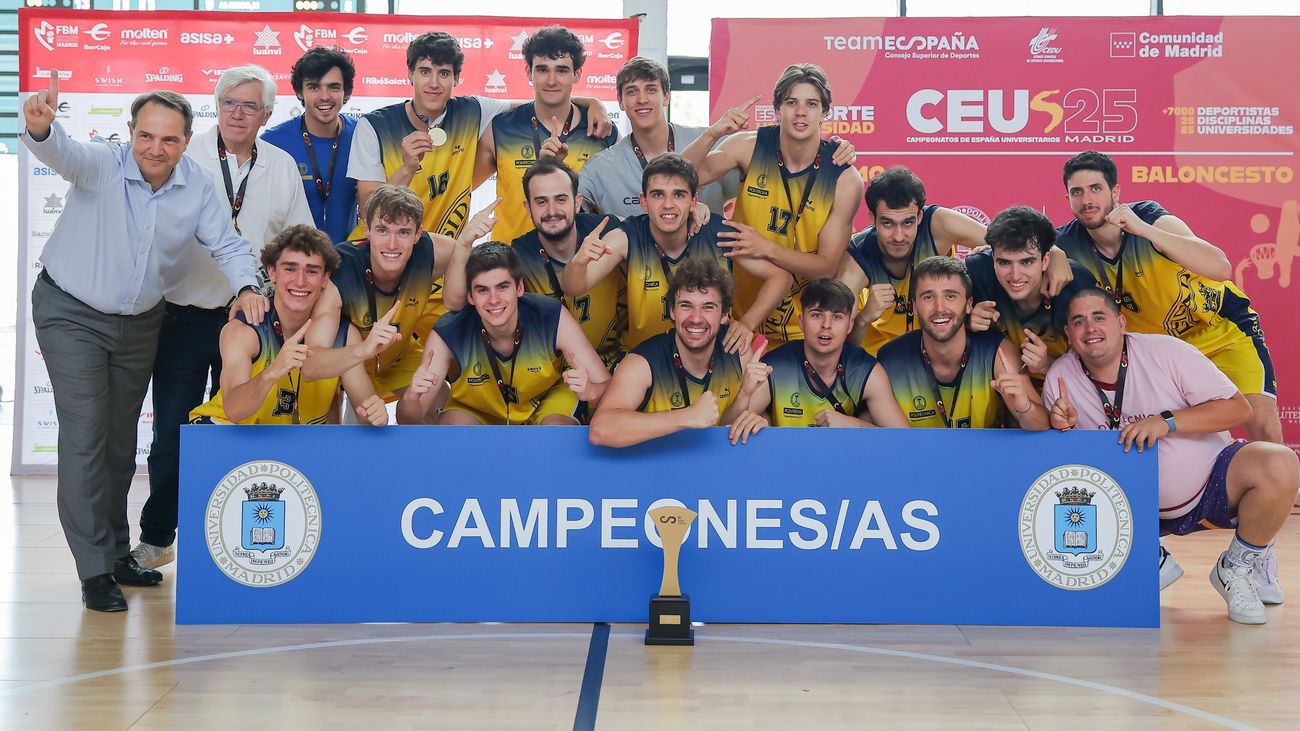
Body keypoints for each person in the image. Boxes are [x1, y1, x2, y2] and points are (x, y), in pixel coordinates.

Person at [22, 77, 265, 612]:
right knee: (86, 435)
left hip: (139, 323)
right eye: (147, 136)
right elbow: (60, 151)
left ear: (186, 141)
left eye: (170, 140)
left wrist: (247, 285)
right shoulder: (103, 164)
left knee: (117, 443)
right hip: (71, 312)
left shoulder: (198, 186)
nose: (157, 149)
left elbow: (226, 244)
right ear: (130, 133)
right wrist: (41, 126)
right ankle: (93, 571)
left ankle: (114, 553)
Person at [136, 65, 313, 573]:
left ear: (267, 113)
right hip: (183, 315)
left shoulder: (281, 165)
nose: (239, 112)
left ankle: (230, 539)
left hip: (253, 318)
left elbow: (299, 239)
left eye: (250, 105)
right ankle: (156, 536)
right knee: (173, 432)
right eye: (230, 102)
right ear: (216, 105)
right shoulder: (181, 155)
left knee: (244, 426)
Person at [1043, 288, 1298, 624]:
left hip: (1210, 484)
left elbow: (1238, 408)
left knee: (1280, 462)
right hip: (1129, 514)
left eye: (1099, 317)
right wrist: (1065, 432)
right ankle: (1144, 557)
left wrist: (1168, 422)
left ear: (1121, 323)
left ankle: (1234, 569)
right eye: (1078, 321)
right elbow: (1059, 472)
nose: (1090, 327)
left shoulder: (1166, 352)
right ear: (1068, 334)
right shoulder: (1059, 378)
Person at [348, 31, 609, 333]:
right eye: (425, 71)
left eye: (444, 73)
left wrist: (592, 102)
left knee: (446, 365)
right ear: (410, 74)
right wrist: (407, 168)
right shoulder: (374, 126)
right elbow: (370, 210)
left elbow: (545, 98)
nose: (434, 83)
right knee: (368, 352)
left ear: (456, 78)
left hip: (439, 267)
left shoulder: (473, 110)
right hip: (382, 260)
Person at [1055, 151, 1280, 443]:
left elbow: (1220, 267)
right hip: (1162, 352)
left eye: (1096, 188)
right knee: (1167, 437)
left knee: (1262, 425)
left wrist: (1143, 230)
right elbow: (1012, 249)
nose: (1087, 200)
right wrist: (1054, 254)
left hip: (1219, 330)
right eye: (1077, 192)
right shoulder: (1066, 243)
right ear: (1068, 199)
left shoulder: (1151, 218)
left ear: (1115, 192)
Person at [682, 64, 862, 348]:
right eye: (791, 102)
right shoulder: (748, 146)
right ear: (777, 109)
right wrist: (712, 134)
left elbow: (826, 267)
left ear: (825, 112)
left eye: (811, 104)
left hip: (807, 326)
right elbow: (678, 177)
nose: (800, 112)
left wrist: (765, 247)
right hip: (742, 314)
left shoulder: (844, 177)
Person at [300, 185, 497, 419]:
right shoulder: (340, 271)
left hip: (398, 354)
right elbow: (311, 365)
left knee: (441, 410)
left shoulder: (431, 250)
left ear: (417, 234)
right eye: (382, 230)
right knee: (345, 427)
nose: (392, 244)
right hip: (347, 360)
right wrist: (362, 350)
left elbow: (482, 284)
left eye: (403, 232)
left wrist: (465, 244)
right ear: (366, 230)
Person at [561, 154, 791, 353]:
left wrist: (748, 323)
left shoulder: (717, 233)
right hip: (648, 361)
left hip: (711, 357)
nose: (668, 204)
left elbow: (781, 277)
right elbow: (573, 287)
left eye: (679, 195)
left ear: (694, 201)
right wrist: (579, 263)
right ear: (643, 201)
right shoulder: (627, 236)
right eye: (658, 195)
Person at [839, 167, 1073, 355]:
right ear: (872, 219)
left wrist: (1056, 253)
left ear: (920, 216)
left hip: (943, 344)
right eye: (888, 223)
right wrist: (863, 319)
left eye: (908, 222)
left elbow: (1007, 238)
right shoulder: (856, 258)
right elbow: (841, 350)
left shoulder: (938, 224)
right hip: (883, 357)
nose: (899, 236)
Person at [189, 225, 387, 427]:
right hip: (229, 433)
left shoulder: (343, 334)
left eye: (312, 271)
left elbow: (366, 410)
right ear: (272, 272)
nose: (300, 281)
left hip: (290, 444)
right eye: (290, 269)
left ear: (325, 278)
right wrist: (274, 370)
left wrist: (375, 413)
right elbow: (233, 410)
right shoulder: (245, 329)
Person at [398, 243, 610, 425]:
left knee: (556, 430)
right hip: (481, 409)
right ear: (470, 296)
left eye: (502, 287)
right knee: (452, 427)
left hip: (544, 400)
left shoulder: (551, 316)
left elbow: (608, 387)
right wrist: (411, 397)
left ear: (519, 288)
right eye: (482, 290)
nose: (494, 299)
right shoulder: (448, 331)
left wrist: (590, 391)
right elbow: (407, 419)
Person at [455, 157, 626, 369]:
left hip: (616, 361)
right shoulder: (518, 255)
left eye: (561, 199)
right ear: (528, 207)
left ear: (577, 202)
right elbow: (456, 302)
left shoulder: (611, 232)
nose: (552, 210)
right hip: (553, 374)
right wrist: (463, 244)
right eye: (541, 201)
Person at [589, 258, 755, 447]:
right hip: (654, 467)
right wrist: (686, 416)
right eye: (686, 305)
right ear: (673, 311)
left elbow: (734, 427)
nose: (696, 318)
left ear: (725, 315)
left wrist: (760, 421)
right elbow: (600, 429)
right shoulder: (643, 362)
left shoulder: (738, 351)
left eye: (708, 307)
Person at [481, 25, 619, 243]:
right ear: (529, 72)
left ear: (577, 74)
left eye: (562, 70)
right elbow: (461, 187)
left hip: (580, 264)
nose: (552, 80)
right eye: (543, 69)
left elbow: (616, 202)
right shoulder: (500, 128)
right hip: (511, 264)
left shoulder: (601, 131)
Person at [730, 279, 909, 444]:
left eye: (837, 316)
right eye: (816, 315)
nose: (826, 325)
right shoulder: (774, 367)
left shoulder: (867, 370)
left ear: (850, 326)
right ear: (801, 322)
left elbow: (906, 440)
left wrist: (854, 426)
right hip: (787, 462)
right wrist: (748, 402)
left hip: (846, 466)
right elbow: (727, 432)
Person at [875, 257, 1046, 429]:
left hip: (982, 455)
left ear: (969, 305)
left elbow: (1041, 427)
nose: (940, 308)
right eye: (928, 297)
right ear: (914, 306)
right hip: (917, 454)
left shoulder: (999, 352)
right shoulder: (890, 360)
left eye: (950, 296)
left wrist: (1025, 408)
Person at [577, 56, 738, 218]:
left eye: (651, 89)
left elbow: (758, 179)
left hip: (705, 244)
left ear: (666, 96)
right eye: (632, 91)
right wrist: (589, 102)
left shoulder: (712, 142)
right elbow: (565, 208)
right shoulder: (602, 168)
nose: (642, 99)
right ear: (620, 101)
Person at [966, 206, 1096, 377]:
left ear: (1045, 260)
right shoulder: (977, 271)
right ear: (992, 258)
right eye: (1004, 263)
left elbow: (1098, 366)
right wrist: (966, 322)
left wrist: (1047, 365)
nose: (1015, 275)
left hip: (1065, 393)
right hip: (997, 391)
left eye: (1026, 262)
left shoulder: (1078, 288)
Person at [261, 47, 360, 243]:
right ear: (300, 92)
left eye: (333, 87)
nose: (324, 96)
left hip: (350, 262)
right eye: (314, 87)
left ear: (345, 92)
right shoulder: (273, 142)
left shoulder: (364, 136)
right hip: (294, 264)